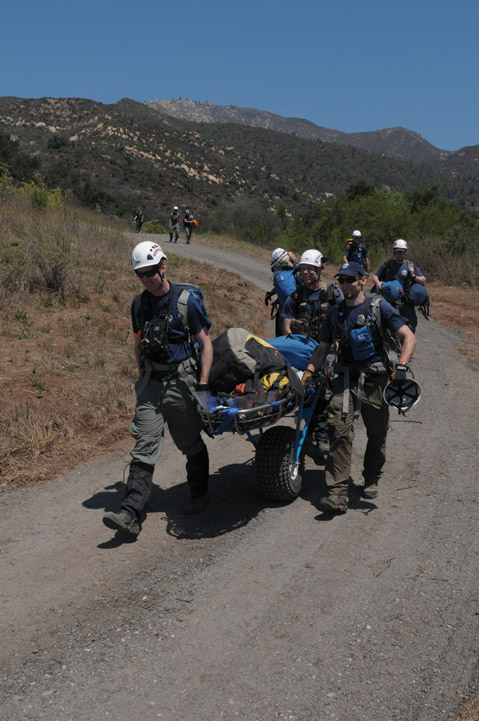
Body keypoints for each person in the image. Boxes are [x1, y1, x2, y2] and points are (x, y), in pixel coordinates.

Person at [103, 241, 213, 537]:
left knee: (190, 443)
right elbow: (137, 343)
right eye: (139, 274)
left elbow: (205, 345)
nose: (145, 279)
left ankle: (200, 493)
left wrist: (203, 385)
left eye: (150, 272)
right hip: (151, 384)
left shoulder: (186, 302)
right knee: (144, 445)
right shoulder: (138, 305)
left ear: (163, 267)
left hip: (181, 383)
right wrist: (142, 380)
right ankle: (130, 513)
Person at [303, 261, 416, 514]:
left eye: (349, 280)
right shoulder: (335, 313)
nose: (345, 285)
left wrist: (402, 366)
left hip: (376, 382)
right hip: (344, 381)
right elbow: (322, 349)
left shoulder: (379, 306)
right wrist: (309, 372)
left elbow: (408, 336)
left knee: (377, 433)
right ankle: (337, 493)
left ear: (362, 280)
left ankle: (372, 477)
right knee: (339, 432)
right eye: (341, 281)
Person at [281, 249, 342, 456]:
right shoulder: (295, 296)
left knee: (325, 392)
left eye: (311, 269)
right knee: (305, 390)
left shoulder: (332, 293)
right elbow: (286, 327)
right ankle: (309, 428)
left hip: (328, 351)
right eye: (304, 269)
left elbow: (342, 320)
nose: (307, 272)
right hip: (303, 352)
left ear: (320, 269)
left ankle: (322, 434)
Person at [370, 239, 427, 332]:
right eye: (397, 252)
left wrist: (413, 275)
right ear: (394, 252)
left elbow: (423, 281)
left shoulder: (410, 266)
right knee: (389, 325)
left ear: (406, 252)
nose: (399, 254)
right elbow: (374, 276)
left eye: (401, 252)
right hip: (389, 300)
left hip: (406, 301)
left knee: (411, 326)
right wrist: (377, 283)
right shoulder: (387, 265)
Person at [264, 247, 297, 336]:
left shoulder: (280, 273)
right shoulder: (294, 269)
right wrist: (270, 293)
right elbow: (280, 288)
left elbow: (281, 288)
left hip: (287, 307)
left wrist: (270, 294)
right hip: (295, 304)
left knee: (283, 332)